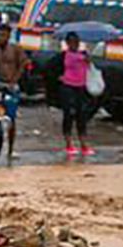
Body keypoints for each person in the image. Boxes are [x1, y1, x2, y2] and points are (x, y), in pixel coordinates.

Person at [49, 31, 93, 159]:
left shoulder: (84, 55)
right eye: (72, 42)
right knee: (68, 115)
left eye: (77, 42)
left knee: (82, 116)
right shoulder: (62, 56)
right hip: (68, 87)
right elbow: (50, 68)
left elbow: (90, 67)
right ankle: (69, 143)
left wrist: (88, 60)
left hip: (81, 87)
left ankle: (83, 144)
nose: (75, 45)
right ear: (67, 43)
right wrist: (59, 77)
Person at [0, 24, 27, 158]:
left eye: (3, 35)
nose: (0, 38)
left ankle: (10, 149)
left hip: (11, 86)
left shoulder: (15, 49)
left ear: (9, 36)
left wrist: (15, 80)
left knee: (11, 118)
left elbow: (23, 64)